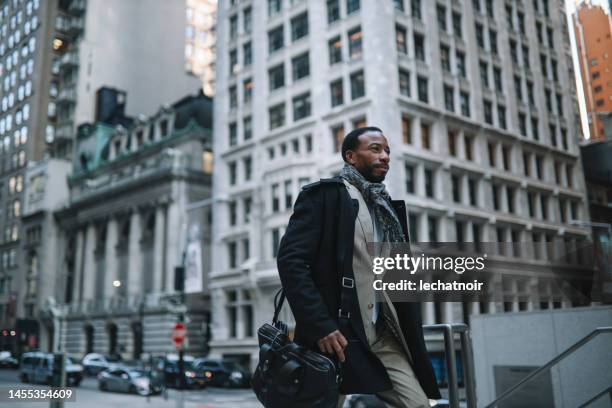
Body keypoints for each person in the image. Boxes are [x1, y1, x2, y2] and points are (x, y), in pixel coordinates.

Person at [277, 127, 440, 407]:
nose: (385, 156)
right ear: (351, 156)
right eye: (375, 149)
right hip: (336, 337)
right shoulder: (324, 196)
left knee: (418, 404)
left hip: (382, 335)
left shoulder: (386, 208)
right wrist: (321, 326)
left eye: (387, 150)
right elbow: (291, 261)